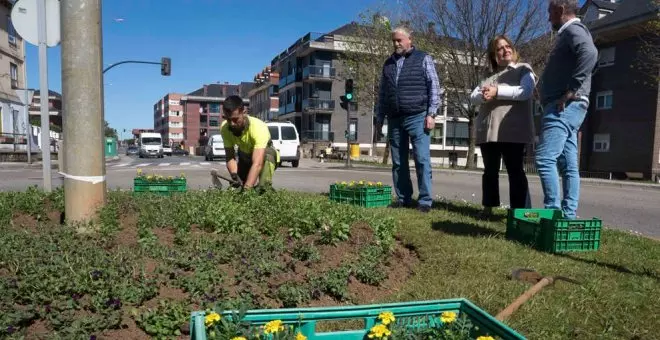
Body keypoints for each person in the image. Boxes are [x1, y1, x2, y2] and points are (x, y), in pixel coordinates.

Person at [536, 0, 598, 219]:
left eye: (550, 13)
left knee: (544, 159)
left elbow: (590, 53)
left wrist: (571, 90)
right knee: (568, 164)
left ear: (560, 10)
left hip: (564, 106)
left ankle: (552, 214)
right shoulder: (570, 33)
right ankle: (568, 216)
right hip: (569, 106)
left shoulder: (573, 29)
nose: (548, 18)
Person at [375, 25, 443, 213]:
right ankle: (403, 197)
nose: (396, 44)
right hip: (395, 118)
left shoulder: (423, 58)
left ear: (409, 39)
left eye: (399, 40)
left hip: (418, 116)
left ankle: (425, 200)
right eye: (394, 41)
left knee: (422, 159)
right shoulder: (388, 64)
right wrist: (379, 117)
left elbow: (434, 87)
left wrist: (431, 113)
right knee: (398, 162)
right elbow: (382, 93)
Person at [470, 35, 536, 217]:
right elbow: (472, 97)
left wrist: (497, 91)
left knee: (515, 171)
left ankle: (519, 212)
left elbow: (526, 91)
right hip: (488, 130)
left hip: (512, 129)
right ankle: (488, 208)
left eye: (508, 46)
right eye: (500, 48)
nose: (505, 50)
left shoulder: (524, 69)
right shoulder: (487, 75)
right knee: (490, 171)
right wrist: (483, 95)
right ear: (494, 54)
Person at [218, 95, 279, 191]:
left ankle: (264, 189)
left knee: (268, 157)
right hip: (245, 157)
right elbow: (230, 157)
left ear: (244, 112)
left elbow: (257, 163)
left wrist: (247, 188)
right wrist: (234, 175)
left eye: (235, 119)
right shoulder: (225, 128)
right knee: (237, 188)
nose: (231, 124)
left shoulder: (258, 127)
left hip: (263, 157)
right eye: (228, 119)